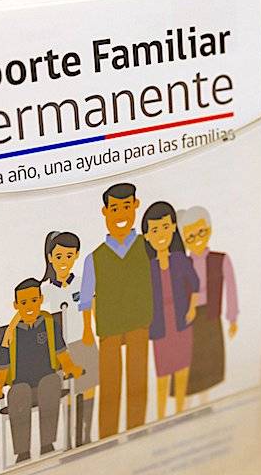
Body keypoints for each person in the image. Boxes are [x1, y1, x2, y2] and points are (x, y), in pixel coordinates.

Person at [78, 183, 154, 438]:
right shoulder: (95, 258)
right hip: (109, 326)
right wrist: (87, 328)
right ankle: (107, 437)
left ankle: (137, 431)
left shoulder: (146, 246)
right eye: (114, 208)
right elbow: (86, 297)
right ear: (105, 211)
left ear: (135, 206)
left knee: (138, 380)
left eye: (126, 206)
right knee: (110, 385)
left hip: (139, 321)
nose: (121, 214)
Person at [0, 278, 83, 462]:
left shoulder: (49, 324)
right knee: (18, 392)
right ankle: (22, 452)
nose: (29, 306)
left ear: (41, 299)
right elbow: (3, 366)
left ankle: (47, 444)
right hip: (21, 385)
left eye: (34, 300)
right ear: (16, 305)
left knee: (50, 383)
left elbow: (61, 353)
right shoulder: (10, 335)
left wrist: (69, 367)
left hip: (47, 379)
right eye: (24, 302)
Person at [39, 231, 98, 446]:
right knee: (69, 392)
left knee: (89, 387)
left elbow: (90, 306)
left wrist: (90, 330)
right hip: (61, 349)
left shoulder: (82, 282)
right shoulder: (45, 291)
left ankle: (87, 434)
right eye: (59, 256)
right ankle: (71, 438)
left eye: (69, 255)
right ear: (50, 258)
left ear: (76, 255)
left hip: (84, 341)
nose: (64, 261)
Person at [141, 201, 199, 418]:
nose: (161, 234)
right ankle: (161, 416)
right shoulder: (148, 267)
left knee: (183, 368)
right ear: (147, 236)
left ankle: (181, 411)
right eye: (155, 230)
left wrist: (192, 308)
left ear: (174, 227)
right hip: (160, 324)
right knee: (163, 373)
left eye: (165, 227)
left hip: (181, 319)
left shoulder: (180, 260)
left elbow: (194, 284)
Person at [176, 206, 239, 404]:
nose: (197, 239)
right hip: (189, 318)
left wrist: (232, 318)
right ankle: (186, 407)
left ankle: (205, 404)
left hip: (211, 317)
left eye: (201, 232)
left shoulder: (220, 259)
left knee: (208, 364)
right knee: (190, 364)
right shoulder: (183, 264)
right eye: (190, 236)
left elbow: (231, 289)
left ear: (209, 229)